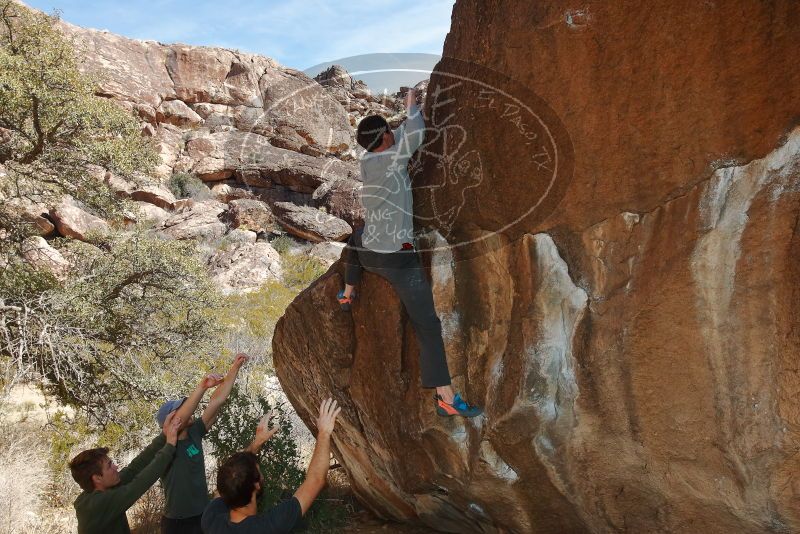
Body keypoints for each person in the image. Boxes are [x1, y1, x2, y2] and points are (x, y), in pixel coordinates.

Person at [340, 88, 482, 418]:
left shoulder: (368, 160)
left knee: (356, 237)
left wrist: (396, 128)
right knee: (427, 325)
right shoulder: (394, 155)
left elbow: (399, 137)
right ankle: (445, 396)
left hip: (369, 252)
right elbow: (416, 131)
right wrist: (411, 107)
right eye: (390, 131)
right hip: (397, 260)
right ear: (387, 138)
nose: (393, 133)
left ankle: (347, 291)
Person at [201, 398, 341, 533]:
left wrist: (256, 443)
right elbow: (315, 480)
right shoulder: (268, 527)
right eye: (259, 472)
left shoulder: (211, 520)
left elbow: (229, 479)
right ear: (256, 485)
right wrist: (324, 432)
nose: (262, 474)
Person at [157, 354, 248, 534]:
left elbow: (217, 401)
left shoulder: (194, 433)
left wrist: (234, 368)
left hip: (202, 515)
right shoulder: (165, 447)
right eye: (181, 409)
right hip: (177, 524)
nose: (189, 410)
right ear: (170, 421)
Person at [69, 411, 182, 534]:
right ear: (97, 478)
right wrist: (170, 446)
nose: (116, 467)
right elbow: (139, 484)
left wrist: (163, 436)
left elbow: (135, 468)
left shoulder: (103, 489)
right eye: (109, 466)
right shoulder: (98, 504)